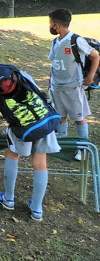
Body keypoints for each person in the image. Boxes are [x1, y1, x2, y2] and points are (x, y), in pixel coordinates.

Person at [0, 68, 61, 222]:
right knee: (40, 164)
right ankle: (37, 208)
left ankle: (8, 198)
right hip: (43, 122)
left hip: (21, 128)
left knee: (12, 155)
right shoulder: (22, 75)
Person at [48, 9, 99, 160]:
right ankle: (62, 145)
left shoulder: (76, 40)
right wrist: (51, 83)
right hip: (57, 87)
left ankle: (82, 149)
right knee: (60, 116)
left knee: (78, 117)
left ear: (56, 25)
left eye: (50, 23)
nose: (49, 26)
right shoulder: (55, 42)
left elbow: (96, 56)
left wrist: (90, 77)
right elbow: (54, 63)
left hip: (73, 87)